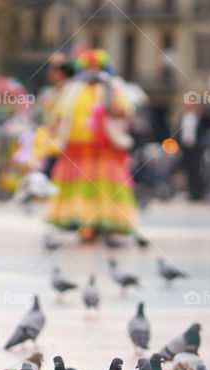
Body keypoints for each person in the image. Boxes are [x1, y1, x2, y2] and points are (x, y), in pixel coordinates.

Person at [45, 48, 140, 245]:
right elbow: (59, 115)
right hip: (76, 150)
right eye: (88, 67)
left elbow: (123, 112)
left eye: (95, 66)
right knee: (78, 188)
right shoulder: (72, 90)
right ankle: (83, 225)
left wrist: (110, 98)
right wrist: (49, 135)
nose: (92, 71)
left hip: (105, 149)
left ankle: (106, 225)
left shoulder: (112, 87)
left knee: (104, 188)